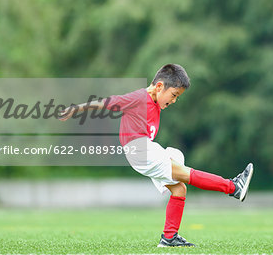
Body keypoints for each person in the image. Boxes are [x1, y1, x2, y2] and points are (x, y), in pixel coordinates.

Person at [59, 64, 254, 247]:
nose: (174, 100)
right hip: (140, 150)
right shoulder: (138, 98)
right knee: (184, 172)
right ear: (159, 86)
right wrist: (77, 109)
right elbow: (108, 103)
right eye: (174, 94)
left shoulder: (155, 103)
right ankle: (233, 187)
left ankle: (169, 238)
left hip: (144, 152)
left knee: (179, 188)